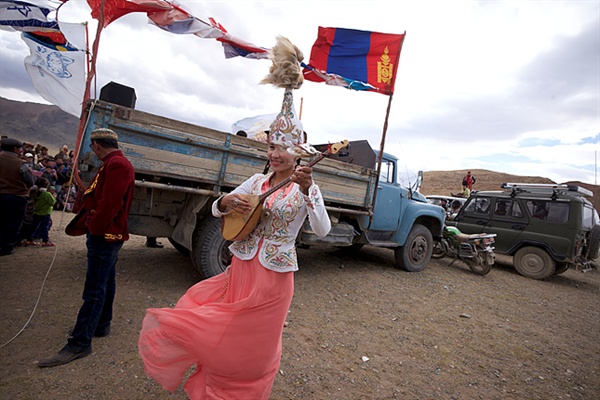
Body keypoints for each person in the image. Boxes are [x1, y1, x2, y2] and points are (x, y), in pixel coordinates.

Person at [138, 37, 331, 399]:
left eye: (281, 148)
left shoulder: (307, 186)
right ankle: (217, 382)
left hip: (275, 276)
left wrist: (309, 193)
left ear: (298, 153)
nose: (273, 153)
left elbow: (322, 230)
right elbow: (217, 208)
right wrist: (226, 202)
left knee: (256, 346)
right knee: (227, 330)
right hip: (241, 267)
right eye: (271, 146)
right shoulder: (257, 181)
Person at [38, 128, 135, 368]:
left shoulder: (117, 165)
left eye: (92, 147)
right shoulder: (113, 163)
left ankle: (80, 342)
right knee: (106, 281)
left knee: (94, 289)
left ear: (97, 146)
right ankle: (101, 325)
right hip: (106, 233)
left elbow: (110, 203)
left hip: (105, 234)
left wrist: (95, 228)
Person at [0, 137, 35, 256]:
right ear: (15, 149)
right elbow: (30, 181)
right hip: (16, 197)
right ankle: (7, 247)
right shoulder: (20, 164)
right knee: (12, 222)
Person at [27, 177, 56, 247]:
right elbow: (52, 202)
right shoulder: (47, 194)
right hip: (45, 213)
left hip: (36, 212)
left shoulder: (35, 193)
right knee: (44, 227)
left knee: (33, 226)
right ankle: (45, 241)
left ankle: (29, 240)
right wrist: (54, 197)